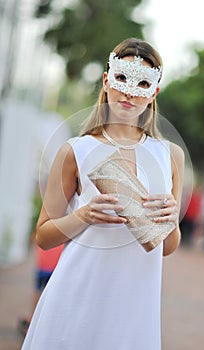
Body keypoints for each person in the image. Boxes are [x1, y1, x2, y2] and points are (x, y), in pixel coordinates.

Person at [21, 37, 184, 350]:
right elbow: (43, 236)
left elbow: (167, 247)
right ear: (107, 81)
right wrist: (83, 215)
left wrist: (170, 221)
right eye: (122, 78)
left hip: (136, 303)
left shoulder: (170, 155)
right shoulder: (76, 151)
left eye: (141, 83)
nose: (128, 91)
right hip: (77, 292)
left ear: (153, 92)